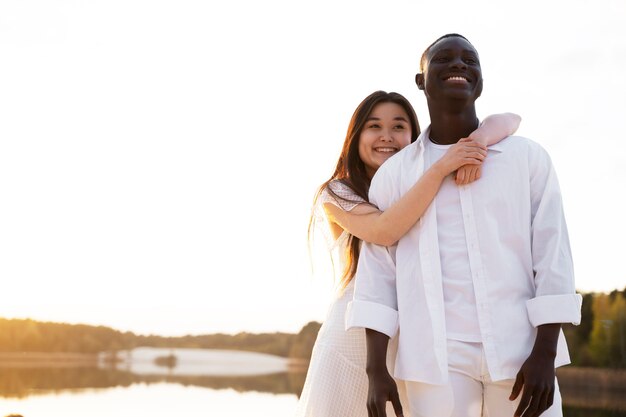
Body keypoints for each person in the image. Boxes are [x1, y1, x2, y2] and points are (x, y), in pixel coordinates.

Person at [346, 34, 583, 417]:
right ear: (421, 80)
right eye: (445, 58)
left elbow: (553, 256)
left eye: (469, 59)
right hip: (434, 360)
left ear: (481, 81)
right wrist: (377, 370)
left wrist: (545, 354)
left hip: (520, 350)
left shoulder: (526, 158)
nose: (459, 64)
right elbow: (378, 277)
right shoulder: (394, 176)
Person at [295, 89, 521, 417]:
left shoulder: (418, 181)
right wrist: (443, 166)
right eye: (374, 127)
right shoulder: (338, 191)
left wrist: (480, 139)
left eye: (398, 127)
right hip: (357, 340)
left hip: (415, 341)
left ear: (414, 136)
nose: (386, 136)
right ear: (356, 136)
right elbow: (386, 229)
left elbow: (511, 120)